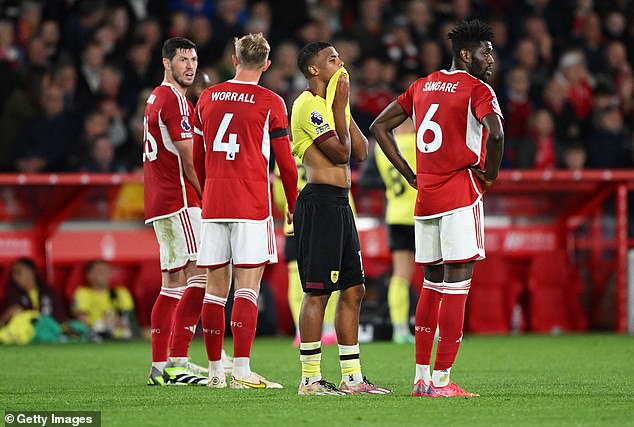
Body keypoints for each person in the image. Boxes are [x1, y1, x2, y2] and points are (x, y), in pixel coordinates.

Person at [370, 19, 504, 398]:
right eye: (485, 51)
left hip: (425, 197)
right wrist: (490, 175)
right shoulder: (479, 90)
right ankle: (443, 381)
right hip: (461, 192)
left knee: (430, 282)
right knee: (458, 284)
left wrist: (410, 173)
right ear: (465, 53)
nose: (491, 59)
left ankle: (420, 376)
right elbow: (495, 133)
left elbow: (380, 127)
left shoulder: (423, 85)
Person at [192, 32, 298, 390]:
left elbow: (197, 156)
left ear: (234, 60)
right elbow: (286, 163)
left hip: (215, 201)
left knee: (214, 290)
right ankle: (241, 370)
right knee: (247, 289)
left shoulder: (207, 97)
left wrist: (206, 191)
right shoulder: (271, 102)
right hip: (251, 202)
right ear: (266, 65)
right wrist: (293, 205)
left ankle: (213, 372)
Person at [291, 41, 391, 396]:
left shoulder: (334, 107)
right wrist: (338, 107)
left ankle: (352, 378)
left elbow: (362, 152)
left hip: (340, 204)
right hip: (318, 203)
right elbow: (341, 152)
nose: (341, 62)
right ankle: (310, 379)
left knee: (354, 288)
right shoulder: (308, 106)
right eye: (332, 59)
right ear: (314, 70)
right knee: (318, 292)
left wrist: (342, 109)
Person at [143, 37, 211, 386]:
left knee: (174, 281)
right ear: (166, 62)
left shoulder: (156, 96)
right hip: (181, 200)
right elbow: (188, 158)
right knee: (201, 275)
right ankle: (174, 361)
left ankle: (165, 364)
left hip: (162, 201)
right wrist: (208, 196)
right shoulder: (175, 101)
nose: (190, 66)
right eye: (182, 59)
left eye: (194, 59)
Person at [374, 119, 417, 344]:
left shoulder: (383, 148)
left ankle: (400, 329)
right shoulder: (418, 143)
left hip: (395, 214)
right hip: (421, 213)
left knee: (400, 274)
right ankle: (439, 329)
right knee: (437, 273)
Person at [0, 258, 67, 344]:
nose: (15, 277)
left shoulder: (47, 291)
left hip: (49, 328)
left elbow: (60, 315)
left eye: (18, 272)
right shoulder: (12, 291)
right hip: (26, 330)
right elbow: (9, 316)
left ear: (31, 273)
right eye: (13, 273)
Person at [71, 259, 136, 340]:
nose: (104, 274)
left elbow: (129, 319)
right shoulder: (82, 293)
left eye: (107, 271)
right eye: (100, 271)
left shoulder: (121, 293)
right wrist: (102, 324)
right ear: (89, 275)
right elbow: (82, 321)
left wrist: (120, 323)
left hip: (122, 335)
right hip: (94, 335)